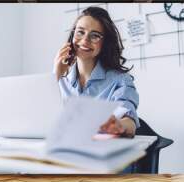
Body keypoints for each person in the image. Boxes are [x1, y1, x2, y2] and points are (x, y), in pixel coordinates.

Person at [53, 6, 139, 138]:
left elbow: (130, 123)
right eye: (80, 32)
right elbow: (41, 118)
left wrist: (118, 125)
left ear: (104, 43)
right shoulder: (59, 80)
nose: (85, 40)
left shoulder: (120, 80)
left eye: (95, 36)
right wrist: (55, 75)